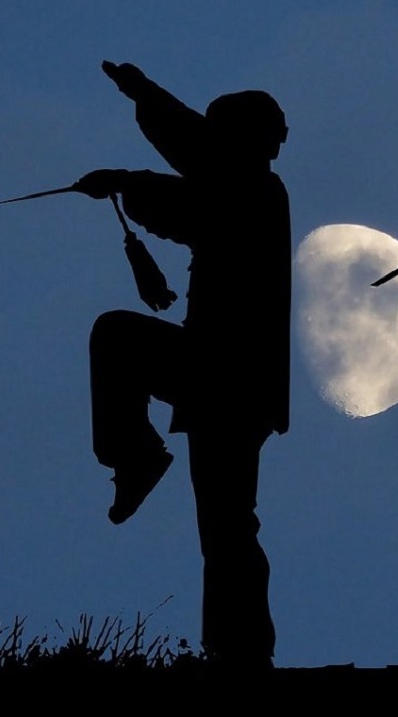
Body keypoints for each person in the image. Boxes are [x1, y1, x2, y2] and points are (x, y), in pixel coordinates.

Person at [74, 60, 290, 667]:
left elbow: (192, 193)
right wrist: (141, 93)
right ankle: (237, 649)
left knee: (227, 525)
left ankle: (240, 652)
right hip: (221, 376)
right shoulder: (243, 180)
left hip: (227, 379)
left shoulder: (252, 192)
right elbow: (193, 148)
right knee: (225, 525)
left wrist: (123, 177)